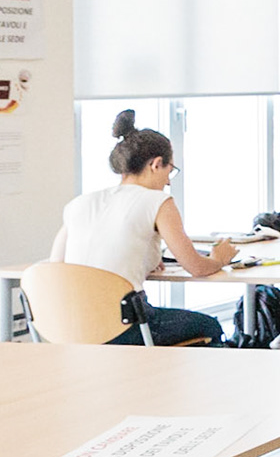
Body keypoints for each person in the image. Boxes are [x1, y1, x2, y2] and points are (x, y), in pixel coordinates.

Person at [50, 110, 235, 345]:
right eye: (170, 171)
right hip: (122, 328)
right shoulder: (158, 201)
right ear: (156, 164)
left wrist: (145, 261)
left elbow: (56, 265)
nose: (168, 181)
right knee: (210, 326)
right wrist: (219, 259)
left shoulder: (80, 203)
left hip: (71, 329)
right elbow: (196, 267)